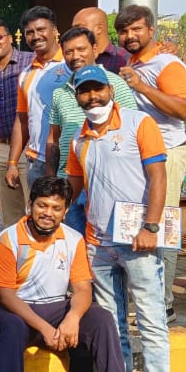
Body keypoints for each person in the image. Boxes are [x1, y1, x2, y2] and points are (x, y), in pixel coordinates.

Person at [0, 176, 148, 372]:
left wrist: (72, 318)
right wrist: (45, 328)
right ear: (30, 205)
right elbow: (6, 294)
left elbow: (83, 289)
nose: (47, 214)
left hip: (56, 306)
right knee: (11, 326)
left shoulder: (73, 239)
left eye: (56, 208)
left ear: (65, 210)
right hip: (16, 310)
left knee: (101, 318)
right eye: (42, 206)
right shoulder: (8, 239)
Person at [65, 65, 175, 372]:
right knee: (112, 326)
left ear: (110, 90)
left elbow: (158, 176)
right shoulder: (79, 139)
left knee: (151, 320)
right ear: (77, 95)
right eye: (85, 92)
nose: (92, 98)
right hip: (98, 245)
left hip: (138, 241)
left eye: (98, 90)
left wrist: (151, 227)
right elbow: (73, 188)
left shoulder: (138, 123)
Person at [115, 5, 186, 323]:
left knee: (163, 223)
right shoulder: (130, 64)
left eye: (136, 29)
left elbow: (184, 110)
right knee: (138, 222)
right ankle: (147, 295)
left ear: (150, 30)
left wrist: (142, 86)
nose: (130, 36)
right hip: (138, 153)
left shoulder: (167, 64)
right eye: (124, 31)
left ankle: (164, 303)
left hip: (168, 151)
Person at [48, 27, 139, 232]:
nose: (75, 56)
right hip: (69, 182)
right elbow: (53, 139)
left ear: (95, 49)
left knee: (113, 249)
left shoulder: (114, 84)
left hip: (108, 183)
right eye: (69, 51)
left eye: (81, 49)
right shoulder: (60, 93)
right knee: (77, 250)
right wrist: (52, 181)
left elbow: (132, 131)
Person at [0, 19, 35, 226]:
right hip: (0, 147)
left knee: (37, 205)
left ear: (10, 38)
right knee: (8, 210)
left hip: (30, 146)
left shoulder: (31, 63)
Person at [8, 6, 67, 195]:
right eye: (30, 33)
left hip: (67, 159)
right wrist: (12, 162)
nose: (36, 36)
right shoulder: (26, 74)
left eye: (41, 30)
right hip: (36, 162)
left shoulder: (70, 66)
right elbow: (22, 120)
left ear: (55, 31)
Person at [73, 7, 128, 73]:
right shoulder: (74, 58)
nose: (74, 32)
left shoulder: (124, 58)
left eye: (80, 27)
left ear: (99, 29)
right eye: (73, 29)